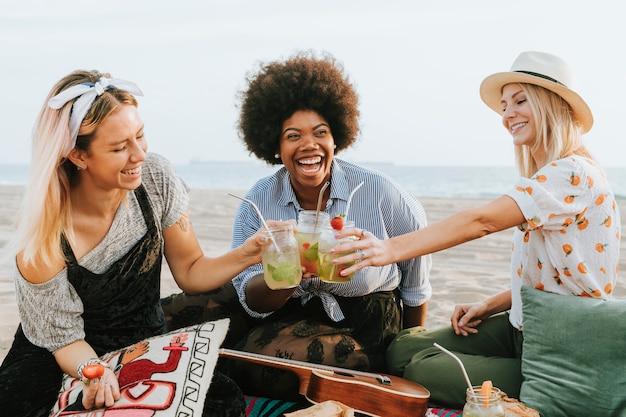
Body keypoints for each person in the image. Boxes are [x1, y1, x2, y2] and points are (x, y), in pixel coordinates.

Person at [330, 51, 621, 408]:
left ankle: (534, 384)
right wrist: (490, 304)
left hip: (561, 345)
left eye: (519, 101)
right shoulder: (551, 175)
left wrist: (388, 250)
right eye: (504, 106)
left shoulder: (573, 174)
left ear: (553, 104)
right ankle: (507, 369)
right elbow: (555, 276)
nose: (507, 114)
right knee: (404, 348)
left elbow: (481, 222)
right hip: (523, 327)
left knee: (421, 369)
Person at [0, 70, 273, 417]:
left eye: (140, 136)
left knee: (220, 401)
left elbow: (191, 272)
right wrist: (93, 373)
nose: (139, 154)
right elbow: (64, 340)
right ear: (78, 156)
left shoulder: (156, 178)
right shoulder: (45, 238)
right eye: (119, 147)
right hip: (62, 355)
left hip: (140, 344)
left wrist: (247, 254)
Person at [223, 51, 432, 400]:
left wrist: (410, 356)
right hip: (292, 314)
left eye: (321, 132)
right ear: (275, 146)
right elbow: (249, 297)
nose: (309, 144)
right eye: (293, 136)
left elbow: (417, 278)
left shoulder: (380, 192)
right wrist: (289, 276)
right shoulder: (259, 200)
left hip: (366, 322)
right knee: (206, 323)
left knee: (255, 362)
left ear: (337, 137)